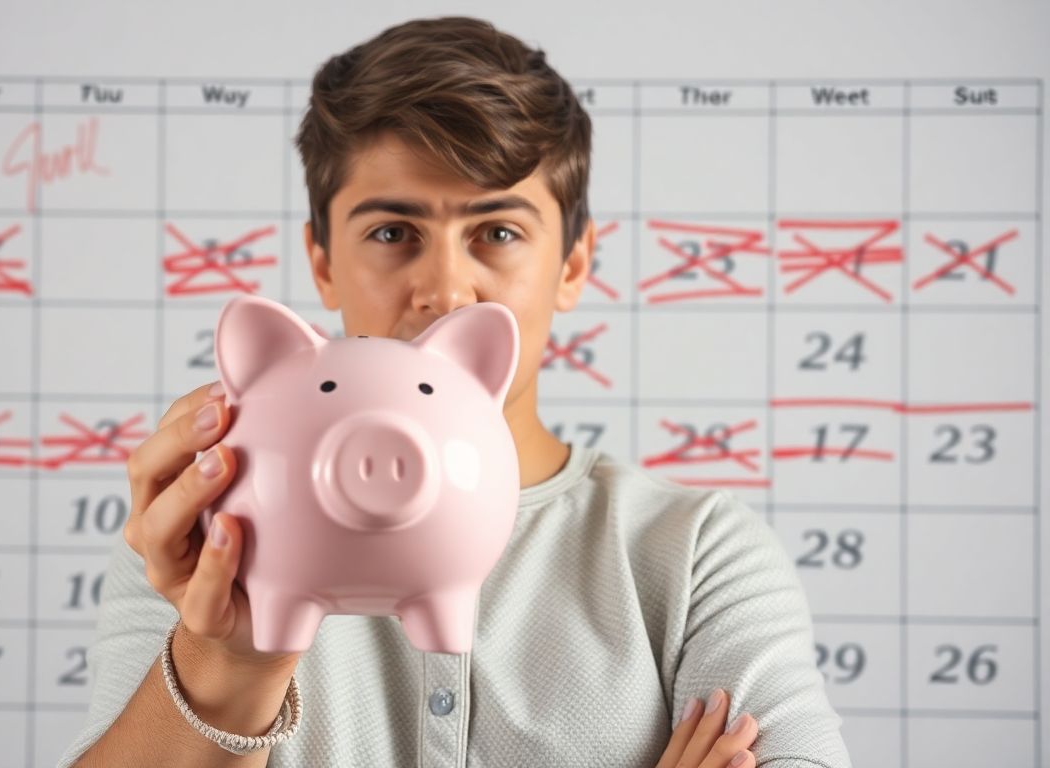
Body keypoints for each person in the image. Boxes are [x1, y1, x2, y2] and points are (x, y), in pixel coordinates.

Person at [57, 15, 852, 768]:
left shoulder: (695, 554)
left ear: (572, 265)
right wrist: (224, 660)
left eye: (498, 234)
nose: (445, 292)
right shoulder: (202, 544)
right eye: (392, 234)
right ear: (324, 261)